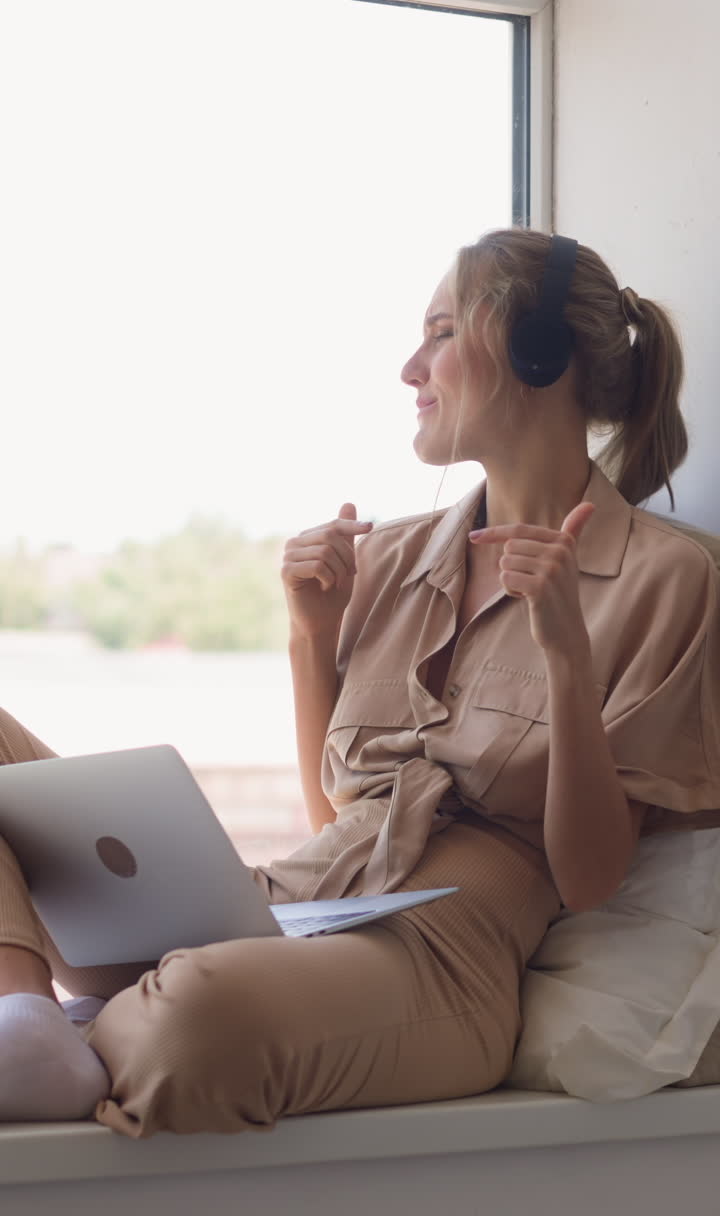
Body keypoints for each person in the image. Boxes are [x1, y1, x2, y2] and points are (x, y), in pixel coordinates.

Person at [1, 227, 720, 1135]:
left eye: (441, 332)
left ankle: (95, 1025)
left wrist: (569, 664)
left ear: (537, 353)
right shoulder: (396, 556)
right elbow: (334, 816)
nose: (410, 367)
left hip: (442, 958)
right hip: (295, 910)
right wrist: (312, 636)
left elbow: (588, 878)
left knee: (197, 1015)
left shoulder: (667, 577)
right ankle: (27, 1014)